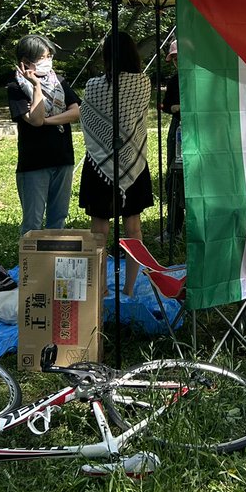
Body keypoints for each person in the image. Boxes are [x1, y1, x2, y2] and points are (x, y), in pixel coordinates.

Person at [78, 32, 154, 295]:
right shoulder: (143, 83)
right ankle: (130, 288)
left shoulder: (94, 85)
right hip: (133, 162)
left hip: (100, 163)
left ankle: (100, 289)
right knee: (134, 227)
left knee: (99, 229)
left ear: (107, 55)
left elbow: (85, 117)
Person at [7, 34, 81, 236]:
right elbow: (36, 119)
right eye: (41, 58)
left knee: (58, 217)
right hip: (34, 164)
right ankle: (32, 266)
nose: (47, 61)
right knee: (33, 222)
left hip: (63, 158)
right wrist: (36, 86)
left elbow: (76, 112)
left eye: (48, 56)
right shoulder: (16, 88)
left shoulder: (59, 82)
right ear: (25, 62)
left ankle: (53, 262)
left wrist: (47, 121)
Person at [160, 39, 185, 238]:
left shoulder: (203, 78)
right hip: (178, 129)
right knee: (173, 176)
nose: (177, 61)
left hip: (202, 130)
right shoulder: (174, 81)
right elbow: (166, 106)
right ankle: (173, 228)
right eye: (174, 59)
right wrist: (175, 108)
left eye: (180, 57)